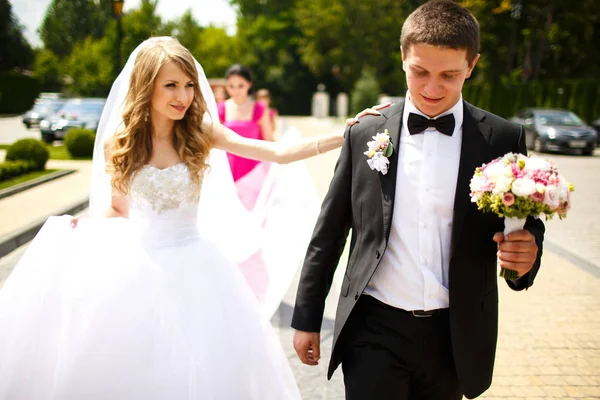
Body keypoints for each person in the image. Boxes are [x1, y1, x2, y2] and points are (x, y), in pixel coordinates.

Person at [0, 37, 377, 399]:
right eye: (171, 86)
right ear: (147, 86)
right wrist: (91, 229)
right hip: (137, 266)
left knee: (201, 367)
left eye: (188, 85)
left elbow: (277, 152)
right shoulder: (123, 140)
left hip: (196, 266)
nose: (183, 96)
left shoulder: (201, 132)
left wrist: (343, 134)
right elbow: (117, 208)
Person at [291, 1, 545, 399]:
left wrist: (528, 254)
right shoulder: (365, 133)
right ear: (403, 58)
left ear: (472, 66)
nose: (431, 88)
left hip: (455, 337)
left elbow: (523, 223)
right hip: (373, 330)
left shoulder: (502, 139)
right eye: (419, 71)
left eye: (449, 75)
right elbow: (329, 232)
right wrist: (306, 316)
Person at [219, 64, 275, 183]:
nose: (236, 90)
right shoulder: (221, 108)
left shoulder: (260, 108)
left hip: (254, 168)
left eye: (240, 85)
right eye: (231, 86)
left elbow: (268, 138)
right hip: (227, 168)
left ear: (249, 84)